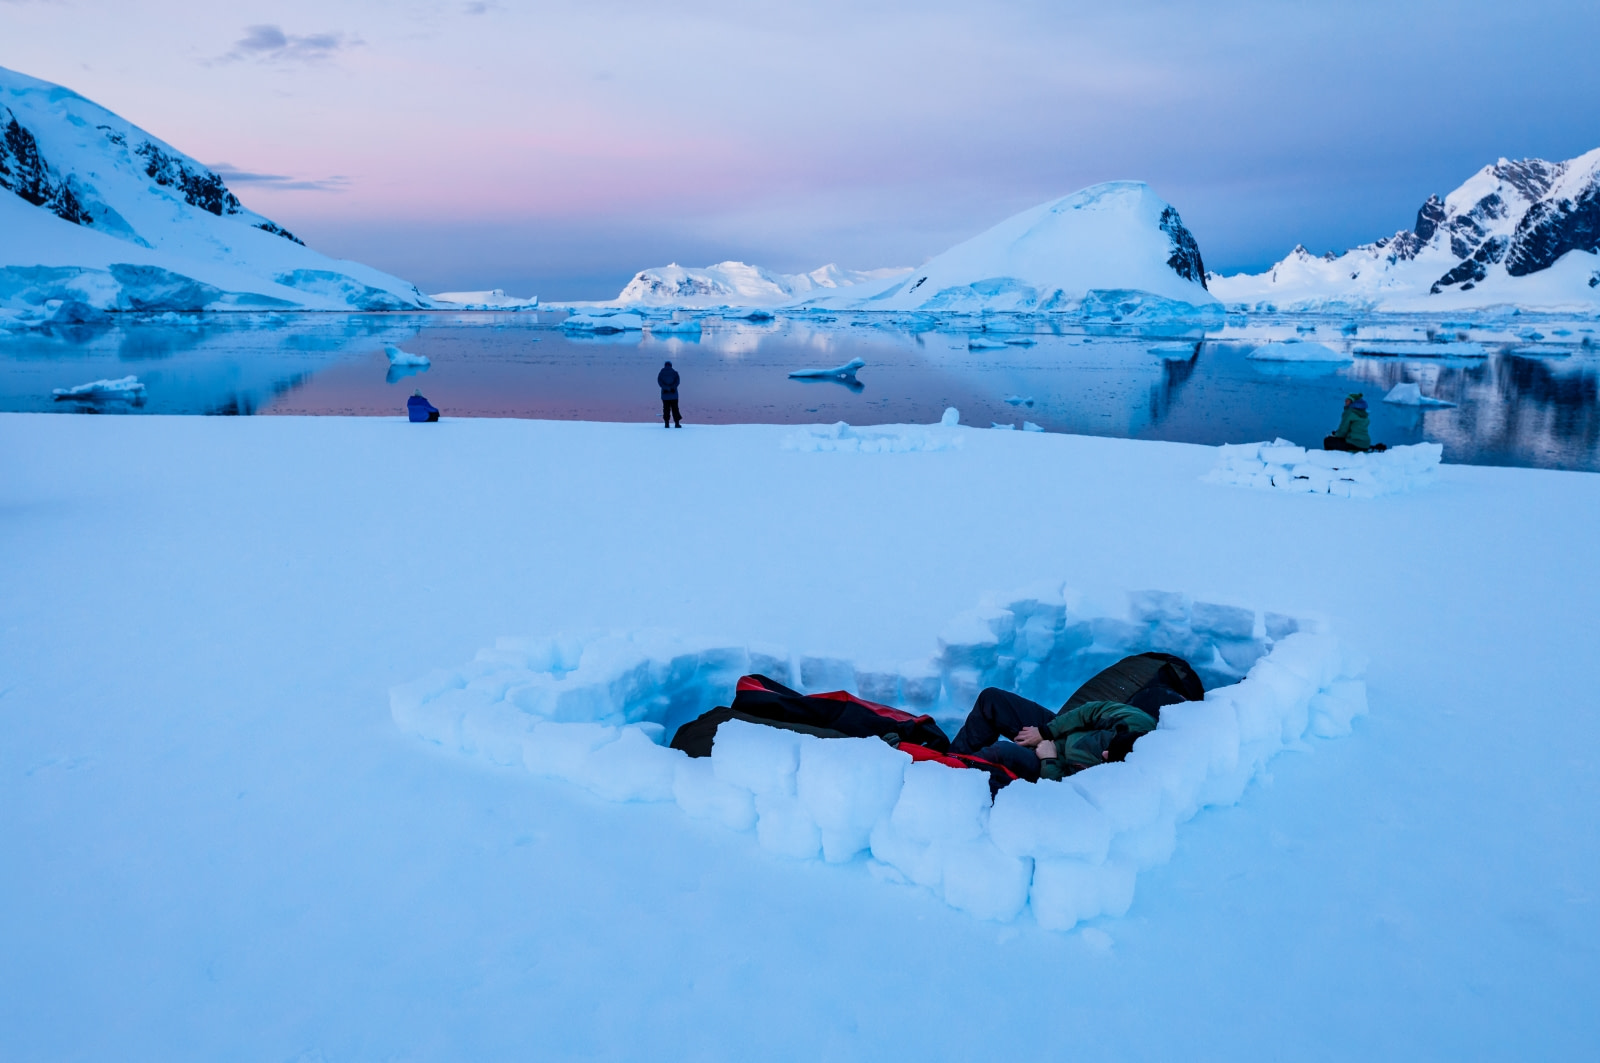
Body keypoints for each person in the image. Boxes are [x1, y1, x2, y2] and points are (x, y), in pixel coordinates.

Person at [947, 652, 1203, 782]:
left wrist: (1048, 758)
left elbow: (1064, 792)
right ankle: (945, 763)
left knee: (1002, 752)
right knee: (992, 699)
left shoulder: (1116, 780)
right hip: (1056, 733)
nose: (1104, 754)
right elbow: (1090, 711)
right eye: (1107, 748)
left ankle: (952, 782)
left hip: (1050, 764)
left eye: (1107, 759)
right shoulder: (1135, 723)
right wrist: (1046, 732)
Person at [657, 360, 682, 428]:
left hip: (665, 395)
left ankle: (666, 424)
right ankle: (677, 423)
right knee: (675, 409)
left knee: (666, 409)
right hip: (674, 395)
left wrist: (666, 388)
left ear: (665, 365)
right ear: (671, 365)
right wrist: (672, 388)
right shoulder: (675, 373)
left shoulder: (661, 373)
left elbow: (660, 382)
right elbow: (677, 382)